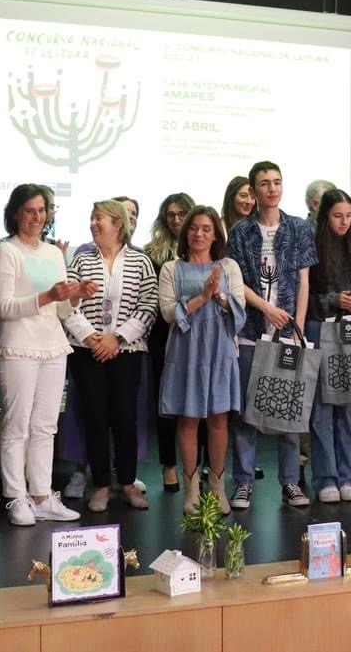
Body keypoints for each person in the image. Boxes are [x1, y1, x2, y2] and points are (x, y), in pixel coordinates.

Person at [0, 184, 94, 526]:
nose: (37, 217)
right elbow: (4, 307)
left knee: (46, 426)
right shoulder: (7, 251)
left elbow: (63, 308)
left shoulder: (52, 253)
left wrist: (76, 294)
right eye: (30, 210)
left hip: (52, 346)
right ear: (16, 212)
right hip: (18, 347)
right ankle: (15, 498)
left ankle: (41, 495)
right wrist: (48, 296)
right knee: (16, 426)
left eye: (42, 210)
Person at [226, 161, 318, 509]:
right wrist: (266, 309)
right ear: (253, 190)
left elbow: (305, 281)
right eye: (264, 183)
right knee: (245, 413)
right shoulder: (240, 232)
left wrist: (297, 326)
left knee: (288, 409)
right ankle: (244, 482)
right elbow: (237, 282)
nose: (272, 188)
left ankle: (291, 482)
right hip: (251, 330)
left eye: (277, 182)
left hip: (289, 333)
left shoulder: (298, 228)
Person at [64, 200, 157, 512]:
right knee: (95, 418)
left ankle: (128, 483)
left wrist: (116, 338)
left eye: (99, 218)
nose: (93, 223)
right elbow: (67, 304)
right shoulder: (80, 260)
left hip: (126, 351)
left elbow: (148, 306)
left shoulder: (141, 262)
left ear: (118, 224)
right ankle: (101, 485)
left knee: (124, 418)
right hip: (86, 351)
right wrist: (92, 338)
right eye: (91, 218)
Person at [157, 205, 247, 514]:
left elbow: (241, 312)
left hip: (219, 350)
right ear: (186, 233)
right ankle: (191, 488)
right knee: (189, 419)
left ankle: (217, 486)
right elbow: (168, 312)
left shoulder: (229, 266)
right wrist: (201, 297)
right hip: (186, 351)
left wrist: (219, 295)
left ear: (215, 234)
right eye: (194, 228)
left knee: (219, 420)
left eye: (206, 228)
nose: (199, 233)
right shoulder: (172, 269)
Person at [306, 189, 351, 503]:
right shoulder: (313, 248)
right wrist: (335, 300)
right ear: (325, 217)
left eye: (348, 215)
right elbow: (306, 300)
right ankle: (325, 479)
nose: (344, 221)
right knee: (322, 409)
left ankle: (348, 477)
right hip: (321, 330)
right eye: (337, 215)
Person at [143, 192, 195, 493]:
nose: (176, 219)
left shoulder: (204, 248)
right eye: (170, 215)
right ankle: (169, 464)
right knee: (165, 402)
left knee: (197, 402)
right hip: (163, 332)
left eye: (181, 214)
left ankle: (196, 465)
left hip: (198, 334)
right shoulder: (154, 252)